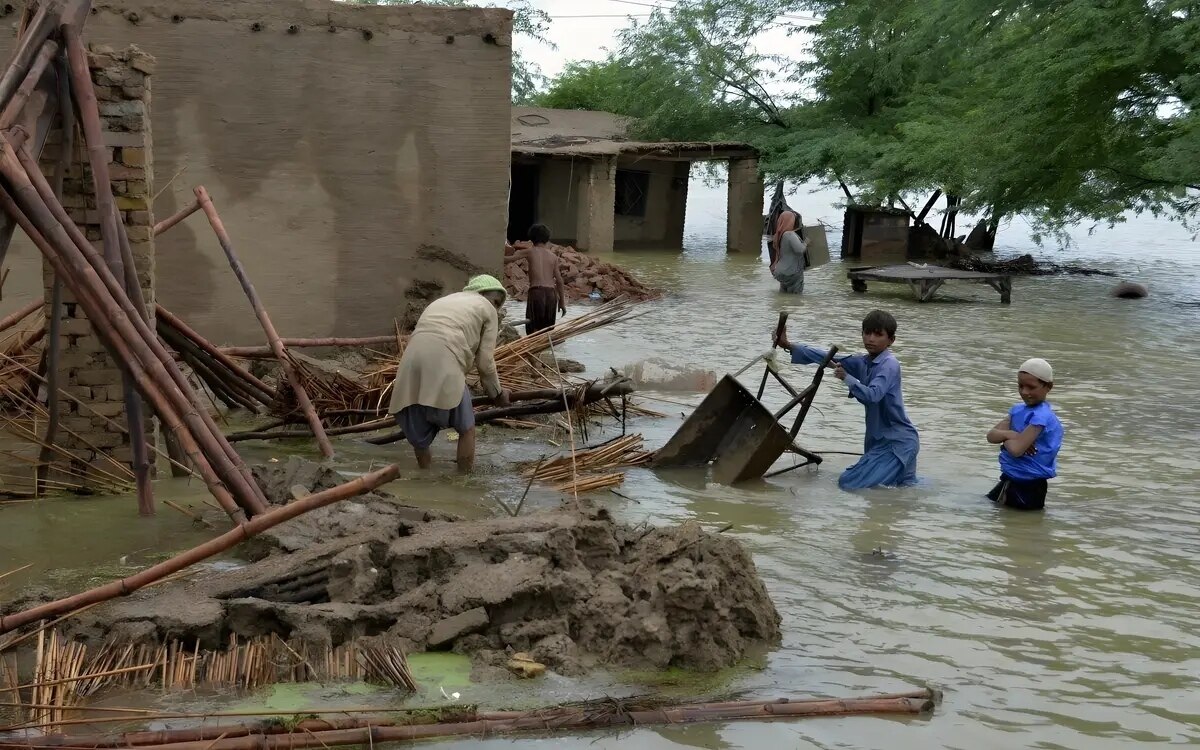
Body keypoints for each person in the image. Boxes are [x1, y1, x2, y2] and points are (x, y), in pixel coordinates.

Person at [775, 310, 920, 489]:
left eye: (878, 334)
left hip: (897, 444)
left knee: (849, 483)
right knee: (904, 490)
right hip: (883, 443)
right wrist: (789, 345)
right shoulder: (864, 362)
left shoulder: (889, 364)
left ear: (891, 340)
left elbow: (873, 396)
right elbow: (827, 358)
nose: (871, 339)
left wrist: (847, 378)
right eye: (867, 333)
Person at [388, 275, 511, 472]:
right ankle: (463, 481)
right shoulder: (487, 308)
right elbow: (485, 363)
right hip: (445, 359)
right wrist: (497, 393)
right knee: (466, 428)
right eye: (496, 302)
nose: (496, 308)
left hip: (410, 361)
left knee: (420, 440)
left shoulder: (444, 301)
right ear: (483, 295)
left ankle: (425, 478)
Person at [985, 358, 1063, 511]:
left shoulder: (1042, 417)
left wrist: (1006, 437)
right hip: (1010, 479)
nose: (1024, 392)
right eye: (1020, 386)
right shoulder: (1018, 410)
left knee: (1020, 525)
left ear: (1048, 387)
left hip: (1029, 487)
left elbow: (1016, 450)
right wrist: (1012, 434)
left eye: (1031, 387)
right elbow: (991, 436)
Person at [509, 224, 566, 335]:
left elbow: (508, 260)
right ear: (547, 238)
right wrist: (562, 303)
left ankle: (534, 352)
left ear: (531, 238)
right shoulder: (553, 256)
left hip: (537, 292)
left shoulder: (530, 251)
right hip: (551, 294)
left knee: (533, 331)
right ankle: (546, 351)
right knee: (547, 331)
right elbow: (559, 281)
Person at [769, 211, 807, 294]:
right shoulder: (789, 234)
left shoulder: (778, 236)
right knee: (795, 299)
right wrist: (807, 242)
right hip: (792, 271)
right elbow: (800, 249)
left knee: (784, 295)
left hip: (780, 271)